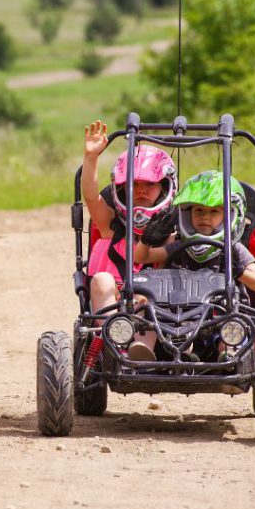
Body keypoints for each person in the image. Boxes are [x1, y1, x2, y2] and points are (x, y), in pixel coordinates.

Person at [135, 170, 255, 359]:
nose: (204, 217)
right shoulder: (180, 244)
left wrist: (238, 270)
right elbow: (141, 258)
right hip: (177, 320)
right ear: (187, 214)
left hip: (221, 317)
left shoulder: (233, 250)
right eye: (199, 210)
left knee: (232, 322)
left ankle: (229, 355)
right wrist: (147, 239)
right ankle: (143, 349)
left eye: (214, 211)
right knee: (148, 308)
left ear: (230, 216)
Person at [82, 120, 177, 361]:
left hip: (153, 316)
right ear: (122, 190)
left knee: (149, 294)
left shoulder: (172, 234)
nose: (141, 190)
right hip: (111, 309)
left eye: (149, 185)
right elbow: (92, 197)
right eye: (134, 185)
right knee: (102, 279)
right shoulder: (110, 225)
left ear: (164, 188)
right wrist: (91, 157)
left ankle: (140, 350)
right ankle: (112, 345)